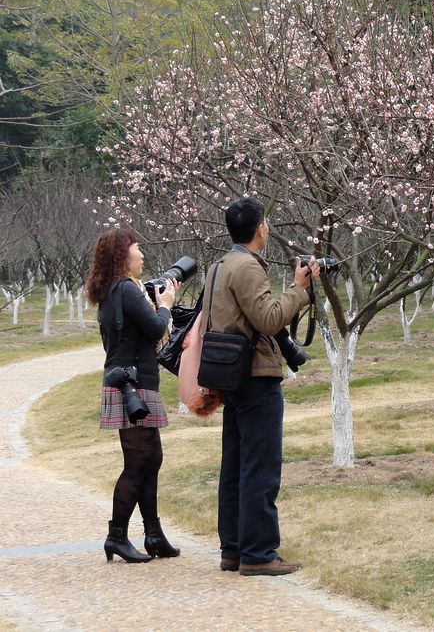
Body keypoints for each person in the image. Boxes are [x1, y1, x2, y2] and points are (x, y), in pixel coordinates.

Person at [204, 197, 320, 576]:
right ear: (261, 230)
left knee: (235, 466)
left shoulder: (217, 266)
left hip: (231, 375)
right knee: (261, 468)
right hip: (256, 376)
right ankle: (259, 554)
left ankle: (234, 549)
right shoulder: (248, 268)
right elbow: (269, 320)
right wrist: (298, 288)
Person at [86, 227, 182, 562]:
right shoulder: (125, 289)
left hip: (135, 384)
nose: (142, 255)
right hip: (133, 387)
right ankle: (117, 536)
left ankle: (153, 535)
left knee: (150, 459)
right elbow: (157, 329)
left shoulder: (117, 289)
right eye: (137, 249)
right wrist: (166, 305)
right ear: (123, 256)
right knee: (138, 462)